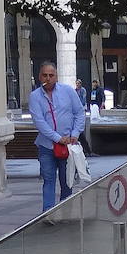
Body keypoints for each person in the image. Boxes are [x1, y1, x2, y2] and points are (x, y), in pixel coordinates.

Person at [29, 60, 83, 214]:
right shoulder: (35, 97)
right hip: (47, 146)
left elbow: (79, 112)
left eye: (51, 75)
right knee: (49, 179)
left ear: (56, 77)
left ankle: (65, 210)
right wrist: (57, 138)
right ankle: (48, 213)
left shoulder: (68, 91)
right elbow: (39, 122)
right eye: (45, 75)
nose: (48, 78)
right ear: (39, 77)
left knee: (67, 181)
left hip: (67, 146)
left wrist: (75, 134)